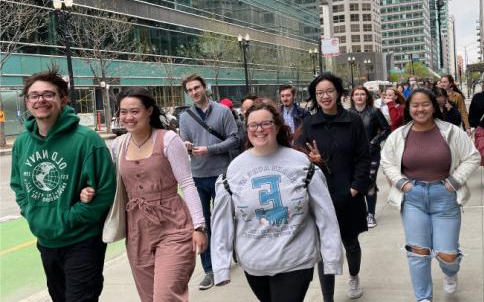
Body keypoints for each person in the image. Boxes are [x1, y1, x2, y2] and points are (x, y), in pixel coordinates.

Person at [211, 99, 343, 302]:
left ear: (278, 126)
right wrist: (221, 266)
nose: (259, 129)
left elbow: (326, 216)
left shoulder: (301, 164)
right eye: (253, 125)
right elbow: (222, 222)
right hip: (254, 263)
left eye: (266, 123)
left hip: (295, 260)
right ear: (246, 129)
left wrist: (332, 257)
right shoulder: (235, 170)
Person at [86, 87, 207, 301]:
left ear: (149, 111)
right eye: (123, 112)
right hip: (137, 231)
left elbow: (187, 183)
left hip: (173, 226)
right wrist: (88, 191)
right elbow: (110, 184)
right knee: (148, 297)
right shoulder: (119, 145)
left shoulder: (168, 139)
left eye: (134, 111)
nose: (128, 117)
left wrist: (199, 226)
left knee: (165, 296)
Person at [10, 68, 116, 301]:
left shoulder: (87, 141)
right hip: (46, 241)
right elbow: (18, 186)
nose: (41, 100)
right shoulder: (22, 143)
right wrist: (32, 213)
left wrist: (70, 217)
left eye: (49, 94)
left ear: (63, 99)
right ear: (27, 102)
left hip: (82, 240)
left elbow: (105, 192)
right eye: (34, 95)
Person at [380, 88, 480, 302]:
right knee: (418, 253)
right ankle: (423, 298)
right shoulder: (398, 136)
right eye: (415, 105)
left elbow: (473, 157)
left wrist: (454, 182)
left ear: (433, 106)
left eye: (425, 104)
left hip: (444, 196)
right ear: (409, 108)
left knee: (448, 255)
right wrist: (402, 184)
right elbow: (387, 162)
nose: (420, 109)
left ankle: (451, 272)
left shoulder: (451, 132)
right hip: (413, 198)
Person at [296, 73, 371, 301]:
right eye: (319, 93)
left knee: (350, 243)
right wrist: (310, 158)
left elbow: (363, 157)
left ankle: (354, 275)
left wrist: (356, 188)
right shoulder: (309, 124)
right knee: (323, 250)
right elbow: (298, 156)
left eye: (329, 91)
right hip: (320, 196)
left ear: (338, 93)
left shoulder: (352, 121)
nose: (325, 96)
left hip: (348, 193)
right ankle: (328, 298)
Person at [179, 74, 239, 290]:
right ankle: (209, 270)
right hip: (196, 176)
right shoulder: (185, 117)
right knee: (201, 224)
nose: (194, 92)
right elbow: (185, 140)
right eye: (190, 90)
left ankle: (230, 253)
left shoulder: (223, 112)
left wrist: (210, 149)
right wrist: (185, 145)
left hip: (221, 175)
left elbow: (235, 139)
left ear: (205, 88)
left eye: (197, 88)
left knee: (224, 220)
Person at [350, 86, 391, 228]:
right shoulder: (347, 113)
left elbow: (387, 129)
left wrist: (374, 141)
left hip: (371, 153)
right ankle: (359, 213)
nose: (359, 96)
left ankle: (370, 214)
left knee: (370, 182)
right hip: (353, 155)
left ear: (367, 97)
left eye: (362, 94)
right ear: (352, 97)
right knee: (356, 183)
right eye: (357, 94)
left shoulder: (374, 112)